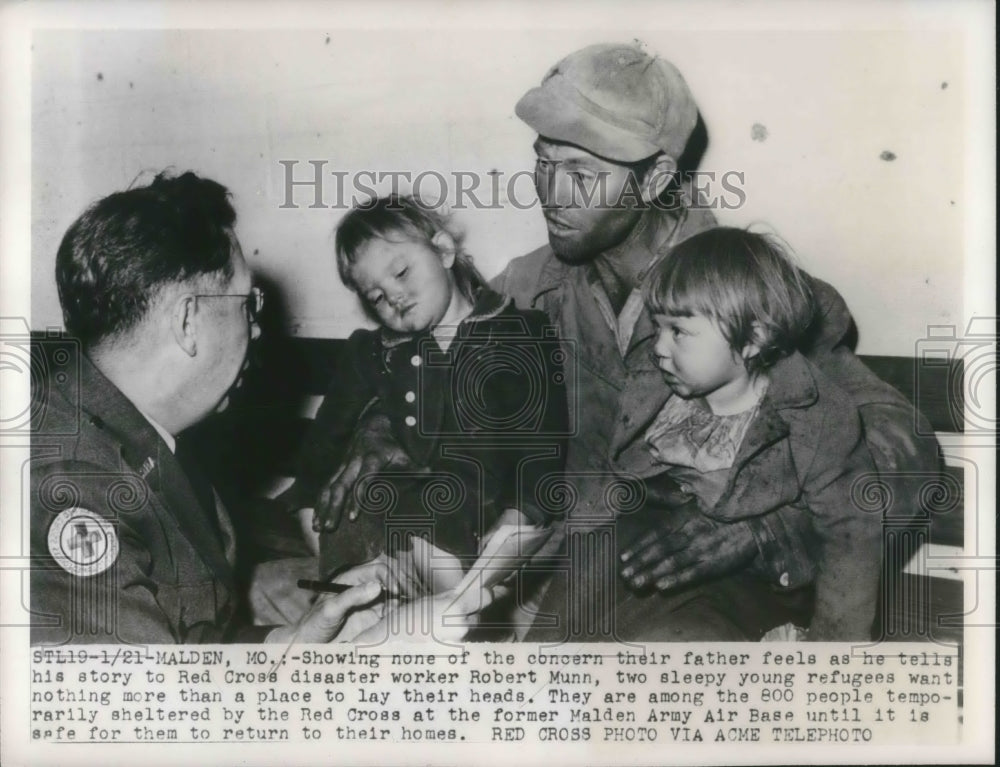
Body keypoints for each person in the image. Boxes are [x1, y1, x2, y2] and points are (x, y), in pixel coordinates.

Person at [316, 43, 941, 641]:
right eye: (544, 161)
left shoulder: (750, 292)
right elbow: (426, 348)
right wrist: (377, 427)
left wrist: (767, 530)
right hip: (553, 569)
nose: (550, 192)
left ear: (656, 178)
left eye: (581, 173)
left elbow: (899, 442)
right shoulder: (526, 290)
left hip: (694, 587)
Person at [30, 171, 413, 645]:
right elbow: (145, 711)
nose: (254, 329)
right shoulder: (66, 488)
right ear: (188, 321)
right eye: (246, 304)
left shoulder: (140, 431)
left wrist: (291, 643)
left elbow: (190, 641)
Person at [271, 196, 567, 619]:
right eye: (375, 295)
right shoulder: (373, 352)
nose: (395, 297)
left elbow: (543, 447)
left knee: (448, 591)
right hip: (384, 527)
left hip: (477, 528)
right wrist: (309, 510)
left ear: (444, 251)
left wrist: (518, 519)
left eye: (402, 272)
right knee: (347, 565)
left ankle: (439, 613)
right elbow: (325, 441)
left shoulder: (521, 335)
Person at [628, 227, 881, 640]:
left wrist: (834, 654)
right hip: (663, 566)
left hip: (764, 592)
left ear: (753, 339)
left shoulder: (814, 417)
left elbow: (851, 539)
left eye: (679, 331)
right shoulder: (660, 393)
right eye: (657, 328)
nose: (658, 347)